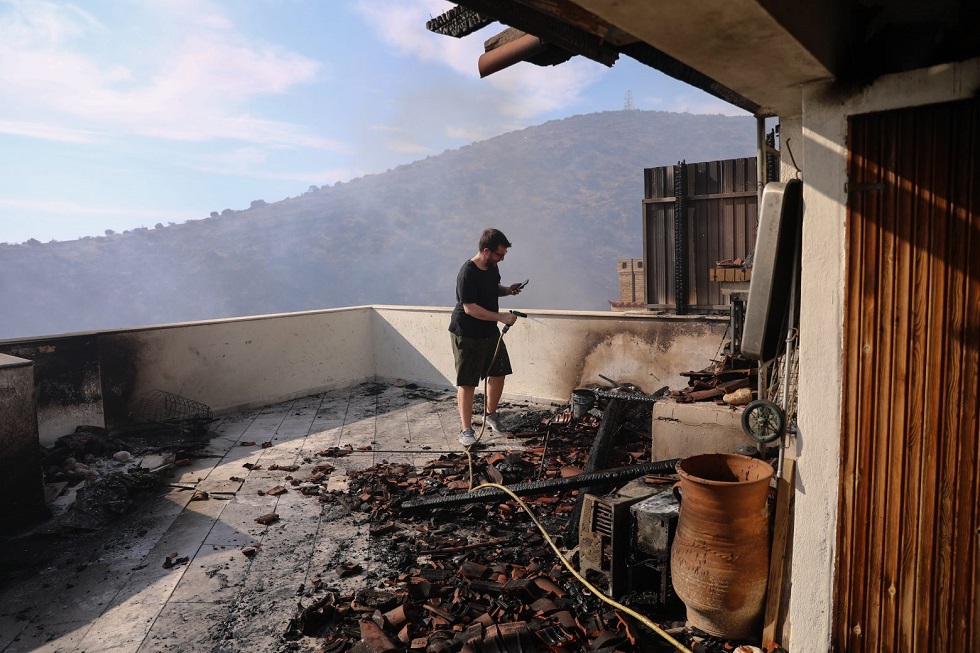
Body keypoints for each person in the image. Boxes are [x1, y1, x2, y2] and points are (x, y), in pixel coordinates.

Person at [449, 228, 525, 447]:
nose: (501, 259)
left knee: (498, 373)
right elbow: (470, 307)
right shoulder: (467, 272)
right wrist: (501, 317)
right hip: (467, 333)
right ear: (486, 250)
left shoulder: (492, 268)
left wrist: (508, 290)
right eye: (499, 255)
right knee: (468, 382)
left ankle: (490, 414)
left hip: (489, 332)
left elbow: (492, 289)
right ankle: (465, 430)